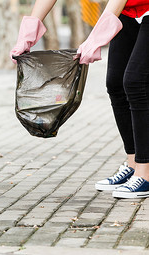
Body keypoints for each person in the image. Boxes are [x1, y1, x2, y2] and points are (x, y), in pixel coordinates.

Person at [10, 0, 149, 199]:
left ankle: (145, 172)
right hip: (128, 11)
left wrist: (95, 39)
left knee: (136, 82)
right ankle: (134, 164)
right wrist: (27, 35)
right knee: (116, 84)